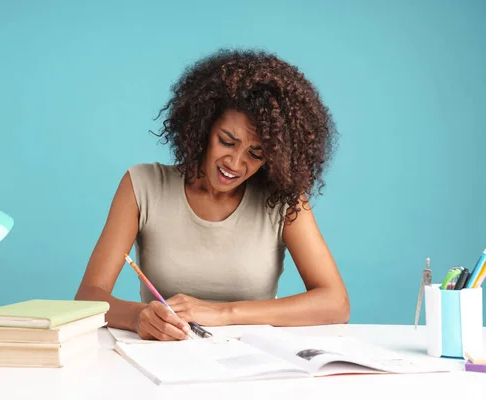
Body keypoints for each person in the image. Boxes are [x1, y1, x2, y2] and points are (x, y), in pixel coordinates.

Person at [75, 48, 349, 341]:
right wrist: (138, 317)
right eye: (227, 142)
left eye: (256, 154)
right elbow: (87, 298)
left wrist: (222, 313)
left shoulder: (282, 201)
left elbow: (336, 303)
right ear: (203, 126)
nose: (235, 163)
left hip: (250, 364)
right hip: (164, 358)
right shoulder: (142, 185)